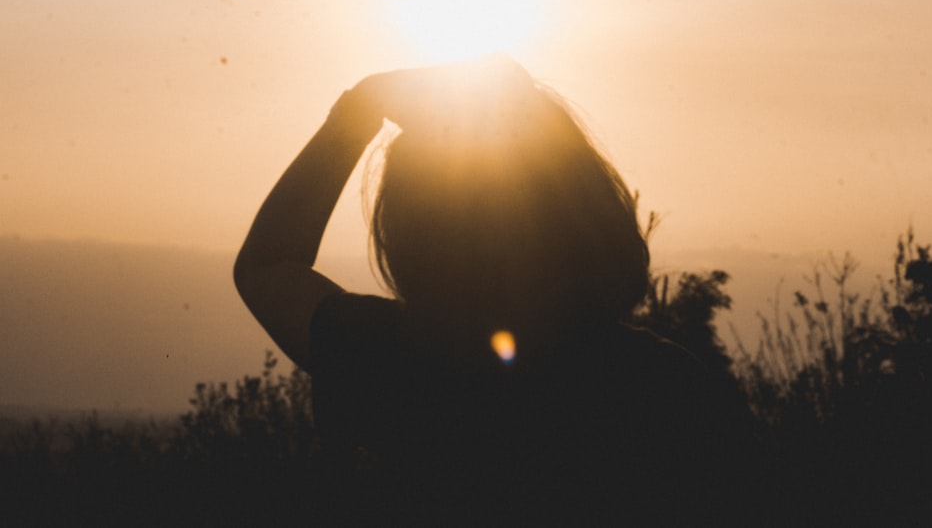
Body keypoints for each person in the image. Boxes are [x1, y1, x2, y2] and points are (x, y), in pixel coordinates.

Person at [234, 54, 742, 524]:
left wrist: (358, 110)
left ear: (417, 233)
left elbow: (267, 266)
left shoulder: (403, 364)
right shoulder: (668, 385)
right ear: (587, 210)